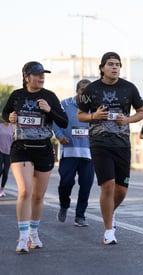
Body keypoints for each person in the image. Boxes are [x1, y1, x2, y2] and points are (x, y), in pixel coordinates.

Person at [77, 52, 143, 245]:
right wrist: (94, 117)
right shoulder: (91, 89)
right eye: (110, 64)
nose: (115, 67)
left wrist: (128, 119)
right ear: (102, 68)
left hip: (122, 144)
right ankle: (109, 231)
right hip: (100, 144)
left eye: (117, 64)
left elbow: (142, 112)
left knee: (121, 191)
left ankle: (109, 213)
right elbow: (80, 115)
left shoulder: (129, 88)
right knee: (107, 186)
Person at [2, 61, 68, 253]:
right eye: (37, 74)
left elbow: (63, 121)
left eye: (43, 74)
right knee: (25, 191)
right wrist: (10, 118)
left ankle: (33, 233)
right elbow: (7, 113)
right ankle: (22, 238)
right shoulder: (17, 95)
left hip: (43, 149)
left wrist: (50, 110)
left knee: (38, 196)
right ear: (26, 77)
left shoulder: (49, 96)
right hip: (21, 148)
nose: (41, 77)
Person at [53, 79, 95, 227]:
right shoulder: (65, 104)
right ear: (77, 91)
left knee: (86, 186)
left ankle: (80, 216)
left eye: (88, 91)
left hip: (88, 155)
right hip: (69, 152)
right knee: (65, 184)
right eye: (82, 90)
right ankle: (64, 205)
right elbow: (54, 121)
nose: (85, 93)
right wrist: (59, 136)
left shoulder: (95, 107)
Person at [0, 119, 13, 197]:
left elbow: (14, 140)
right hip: (0, 151)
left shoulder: (13, 128)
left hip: (9, 153)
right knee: (0, 170)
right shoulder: (0, 126)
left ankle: (2, 189)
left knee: (5, 172)